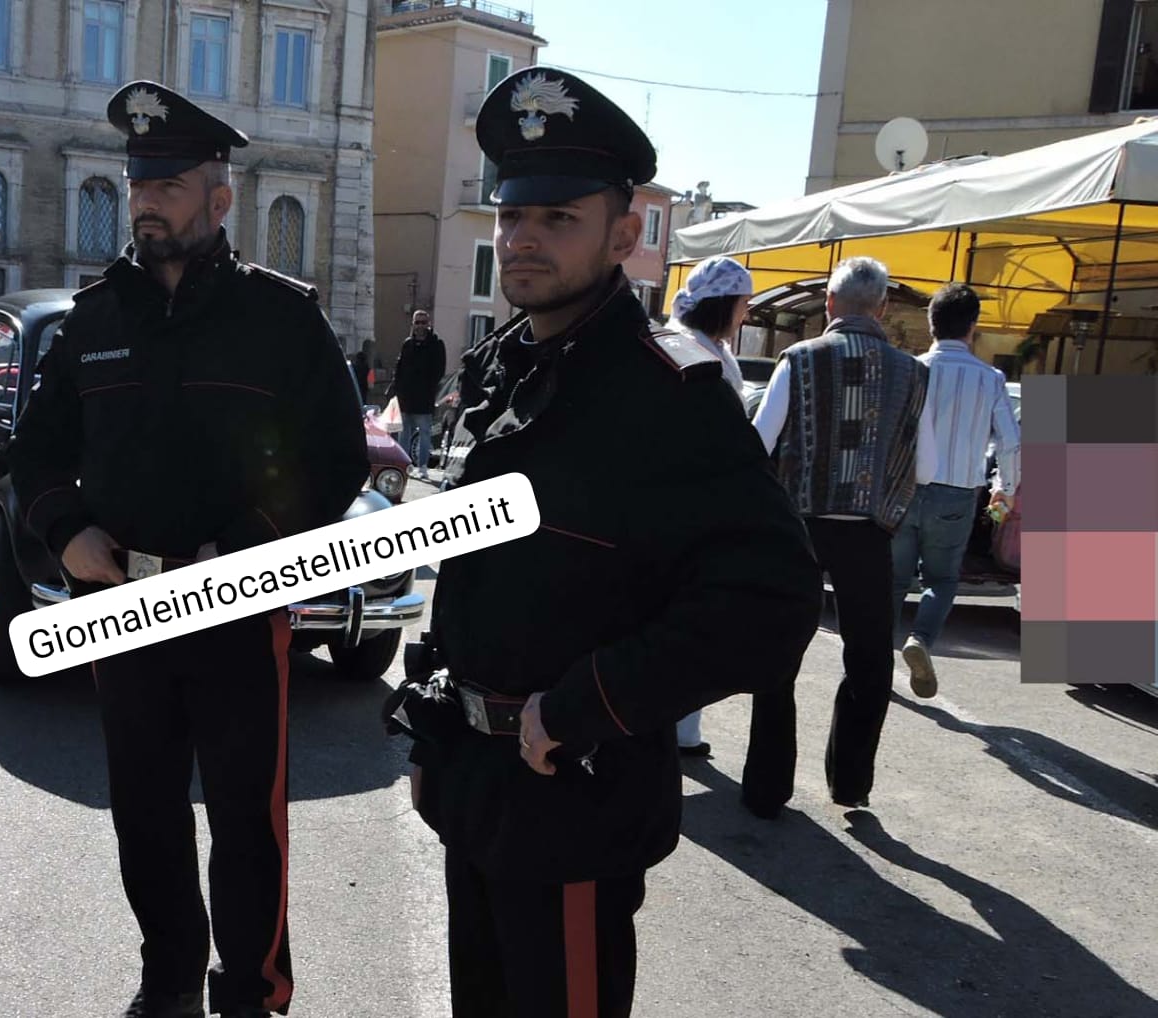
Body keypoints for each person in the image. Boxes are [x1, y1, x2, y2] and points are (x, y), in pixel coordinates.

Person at [388, 67, 820, 1017]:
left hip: (573, 800)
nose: (523, 239)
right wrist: (433, 720)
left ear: (626, 235)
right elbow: (474, 572)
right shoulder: (504, 364)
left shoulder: (669, 396)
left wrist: (589, 702)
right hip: (479, 788)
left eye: (559, 218)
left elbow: (774, 602)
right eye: (512, 216)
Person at [6, 80, 367, 1018]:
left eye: (170, 183)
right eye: (138, 183)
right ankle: (168, 974)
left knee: (249, 819)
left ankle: (249, 990)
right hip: (124, 609)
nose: (148, 200)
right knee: (146, 814)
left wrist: (253, 549)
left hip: (241, 611)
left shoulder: (281, 320)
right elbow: (34, 454)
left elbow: (333, 461)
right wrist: (64, 527)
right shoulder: (94, 320)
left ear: (221, 195)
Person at [744, 256, 938, 816]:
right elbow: (924, 466)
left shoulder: (798, 360)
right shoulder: (912, 373)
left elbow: (759, 443)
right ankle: (850, 784)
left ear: (829, 303)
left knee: (780, 656)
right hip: (869, 536)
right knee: (870, 660)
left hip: (799, 528)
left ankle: (766, 789)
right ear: (880, 308)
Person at [892, 283, 1020, 697]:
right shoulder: (991, 378)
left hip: (907, 488)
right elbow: (1010, 441)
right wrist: (1007, 488)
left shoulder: (910, 369)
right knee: (943, 578)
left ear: (931, 324)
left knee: (893, 579)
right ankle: (921, 640)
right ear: (973, 327)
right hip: (958, 494)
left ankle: (875, 655)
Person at [663, 255, 756, 757]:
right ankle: (672, 727)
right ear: (724, 304)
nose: (746, 314)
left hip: (688, 504)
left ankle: (681, 728)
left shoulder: (703, 347)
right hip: (692, 507)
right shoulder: (697, 355)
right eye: (743, 304)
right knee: (687, 618)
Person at [387, 309, 445, 479]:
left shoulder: (437, 344)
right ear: (413, 324)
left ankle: (423, 467)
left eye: (423, 322)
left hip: (424, 397)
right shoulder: (407, 344)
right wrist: (396, 388)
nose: (420, 326)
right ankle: (404, 465)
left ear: (429, 324)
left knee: (425, 432)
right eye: (417, 322)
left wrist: (428, 386)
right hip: (406, 397)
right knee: (403, 433)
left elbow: (439, 370)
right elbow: (399, 368)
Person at [349, 340, 371, 404]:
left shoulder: (354, 367)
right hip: (363, 387)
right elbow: (370, 380)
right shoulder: (367, 368)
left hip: (356, 387)